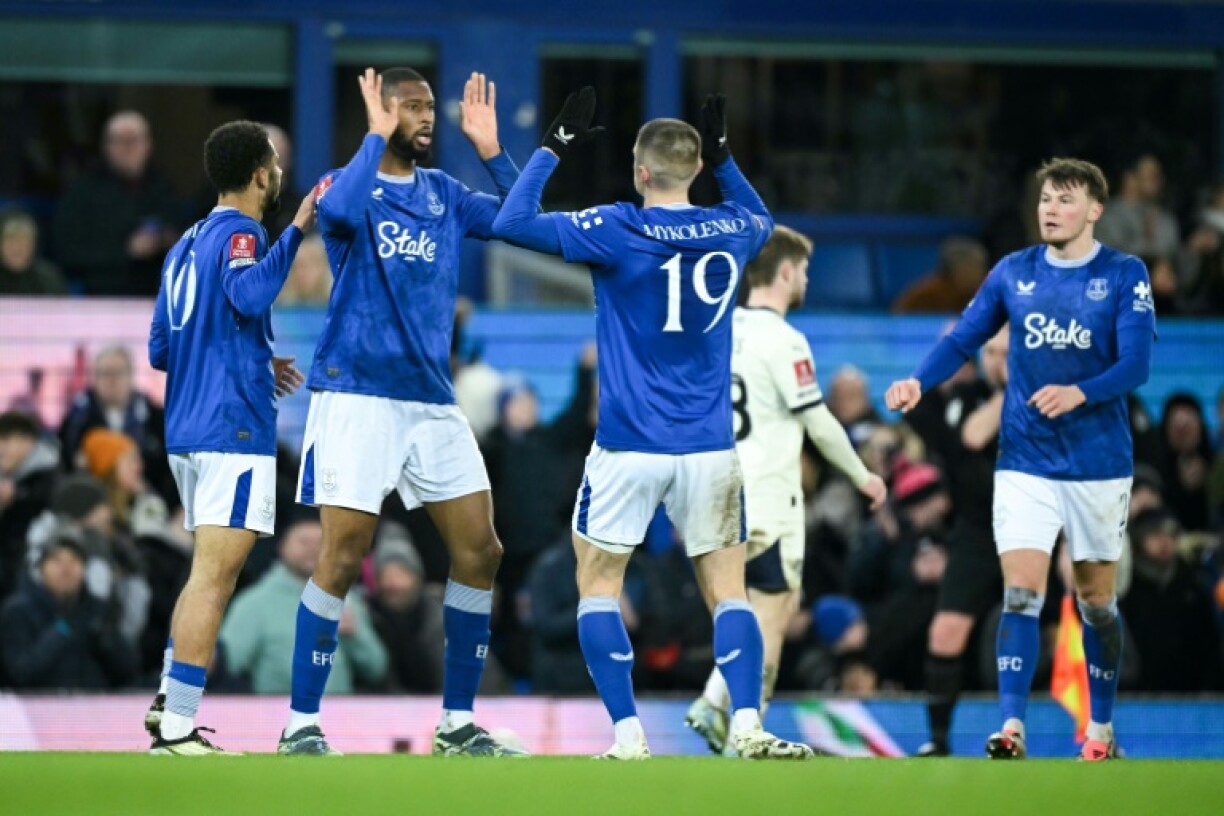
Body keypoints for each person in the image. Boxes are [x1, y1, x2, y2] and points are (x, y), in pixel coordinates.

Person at [493, 88, 812, 760]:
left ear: (641, 173)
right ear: (694, 170)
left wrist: (555, 143)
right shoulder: (732, 227)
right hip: (709, 447)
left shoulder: (615, 226)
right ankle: (747, 723)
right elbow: (761, 214)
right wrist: (724, 158)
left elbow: (514, 221)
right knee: (730, 591)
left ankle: (628, 734)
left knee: (599, 582)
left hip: (628, 443)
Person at [288, 68, 525, 757]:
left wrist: (491, 152)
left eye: (430, 108)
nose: (428, 117)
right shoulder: (346, 184)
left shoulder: (447, 196)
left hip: (430, 399)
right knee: (343, 554)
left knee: (481, 549)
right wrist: (373, 135)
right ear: (384, 111)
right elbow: (333, 219)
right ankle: (301, 722)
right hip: (357, 394)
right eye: (413, 107)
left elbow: (524, 220)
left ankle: (456, 723)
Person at [886, 158, 1157, 761]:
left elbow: (1137, 365)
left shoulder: (1123, 274)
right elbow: (962, 339)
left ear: (1094, 210)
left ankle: (1101, 729)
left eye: (1065, 200)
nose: (1051, 209)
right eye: (1045, 200)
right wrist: (918, 382)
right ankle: (1012, 727)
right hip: (1025, 462)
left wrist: (1081, 391)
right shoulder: (1014, 272)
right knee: (1021, 594)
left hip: (1097, 463)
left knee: (1095, 603)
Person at [141, 120, 315, 755]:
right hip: (230, 428)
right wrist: (295, 229)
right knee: (215, 577)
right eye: (273, 162)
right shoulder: (246, 233)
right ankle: (180, 726)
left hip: (187, 428)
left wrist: (251, 358)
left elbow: (163, 347)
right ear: (259, 173)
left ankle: (170, 703)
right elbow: (250, 292)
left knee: (203, 574)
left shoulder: (184, 242)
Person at [684, 225, 887, 755]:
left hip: (712, 490)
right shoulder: (785, 340)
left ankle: (717, 702)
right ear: (787, 272)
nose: (807, 279)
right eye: (805, 270)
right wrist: (862, 475)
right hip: (770, 497)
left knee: (736, 607)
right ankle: (740, 728)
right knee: (773, 613)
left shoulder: (716, 330)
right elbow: (817, 420)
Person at [915, 326, 1009, 756]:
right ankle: (937, 739)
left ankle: (1095, 732)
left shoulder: (1053, 398)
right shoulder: (969, 398)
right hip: (976, 533)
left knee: (1065, 627)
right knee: (946, 630)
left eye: (1008, 352)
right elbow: (970, 437)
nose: (997, 360)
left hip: (1036, 529)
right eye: (991, 352)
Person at [218, 514, 387, 695]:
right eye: (304, 542)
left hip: (339, 717)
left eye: (320, 543)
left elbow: (377, 669)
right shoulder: (254, 602)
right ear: (282, 547)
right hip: (275, 716)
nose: (313, 549)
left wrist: (355, 635)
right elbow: (227, 664)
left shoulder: (346, 599)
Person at [53, 111, 182, 296]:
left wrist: (165, 240)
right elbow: (67, 252)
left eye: (135, 141)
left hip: (159, 298)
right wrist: (126, 250)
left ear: (148, 145)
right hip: (102, 297)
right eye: (120, 141)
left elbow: (186, 236)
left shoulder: (163, 188)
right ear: (107, 147)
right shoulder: (82, 192)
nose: (128, 149)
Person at [0, 526, 139, 690]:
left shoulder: (97, 610)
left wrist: (108, 641)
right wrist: (62, 629)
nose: (66, 569)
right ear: (41, 569)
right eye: (57, 560)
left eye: (74, 560)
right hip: (36, 710)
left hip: (93, 709)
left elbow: (129, 671)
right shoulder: (18, 611)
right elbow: (20, 672)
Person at [59, 345, 175, 509]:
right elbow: (67, 464)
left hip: (149, 504)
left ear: (131, 376)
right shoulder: (76, 421)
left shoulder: (156, 418)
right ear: (95, 378)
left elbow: (170, 469)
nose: (112, 381)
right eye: (105, 374)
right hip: (92, 507)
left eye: (118, 373)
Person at [0, 410, 60, 600]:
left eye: (8, 440)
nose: (2, 448)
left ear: (29, 443)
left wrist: (15, 499)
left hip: (28, 579)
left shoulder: (49, 478)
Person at [893, 236, 990, 314]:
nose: (979, 272)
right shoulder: (924, 296)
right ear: (955, 269)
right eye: (973, 267)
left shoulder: (984, 294)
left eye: (981, 266)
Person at [0, 210, 68, 296]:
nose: (17, 249)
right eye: (11, 242)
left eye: (23, 243)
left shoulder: (49, 280)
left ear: (34, 245)